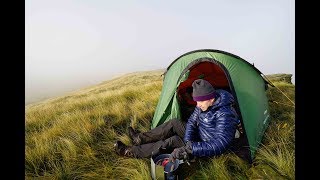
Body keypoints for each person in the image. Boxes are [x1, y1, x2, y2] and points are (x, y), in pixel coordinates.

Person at [114, 79, 239, 161]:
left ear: (211, 99)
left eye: (200, 101)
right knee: (174, 123)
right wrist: (189, 140)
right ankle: (139, 139)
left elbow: (220, 144)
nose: (198, 105)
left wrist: (189, 148)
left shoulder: (226, 113)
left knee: (171, 141)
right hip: (197, 137)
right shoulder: (202, 105)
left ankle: (129, 151)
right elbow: (191, 122)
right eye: (196, 101)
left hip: (206, 148)